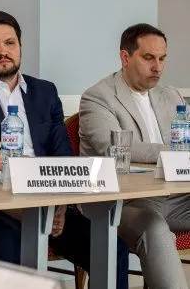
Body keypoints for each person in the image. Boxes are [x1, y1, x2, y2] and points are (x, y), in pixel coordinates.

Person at [0, 10, 129, 288]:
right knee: (9, 245)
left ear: (20, 46)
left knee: (112, 248)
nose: (3, 51)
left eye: (10, 43)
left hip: (50, 203)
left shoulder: (45, 92)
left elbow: (63, 158)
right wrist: (23, 210)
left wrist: (59, 207)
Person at [79, 23, 189, 289]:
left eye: (162, 58)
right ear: (125, 57)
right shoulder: (97, 98)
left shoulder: (171, 95)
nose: (157, 67)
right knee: (153, 226)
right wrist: (173, 152)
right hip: (123, 202)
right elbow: (114, 148)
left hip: (174, 197)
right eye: (149, 58)